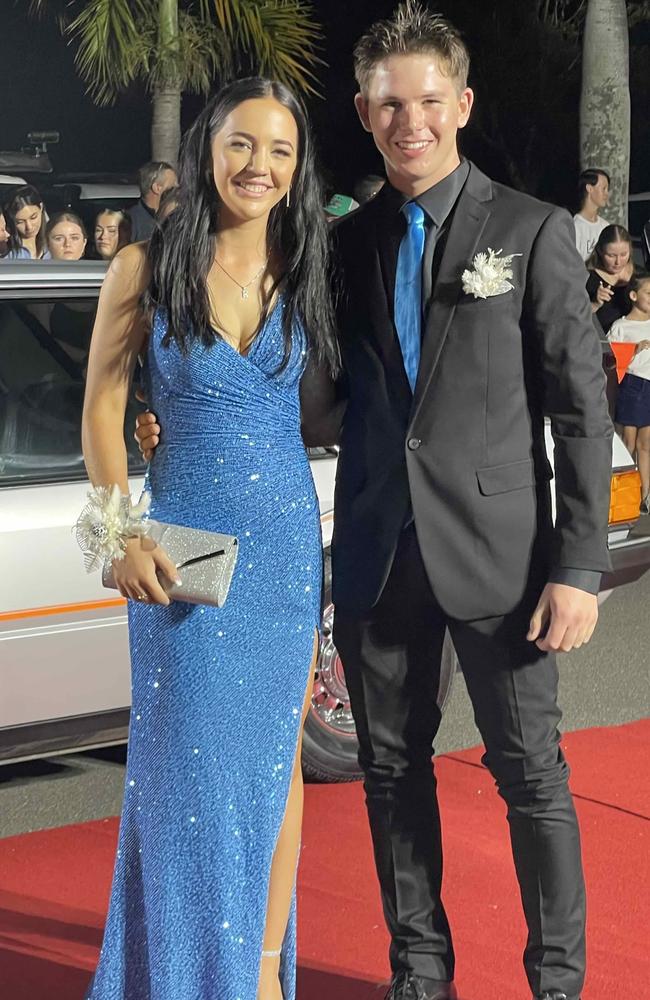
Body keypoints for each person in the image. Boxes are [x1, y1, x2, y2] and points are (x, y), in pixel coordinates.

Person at [137, 6, 613, 1000]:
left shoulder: (527, 233)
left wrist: (577, 569)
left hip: (503, 563)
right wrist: (170, 414)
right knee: (391, 775)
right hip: (374, 553)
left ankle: (556, 982)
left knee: (530, 775)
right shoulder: (342, 248)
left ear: (460, 104)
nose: (410, 122)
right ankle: (419, 975)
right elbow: (307, 394)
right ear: (361, 111)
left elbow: (578, 412)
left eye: (428, 102)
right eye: (389, 104)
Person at [80, 77, 339, 1000]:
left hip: (282, 550)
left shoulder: (306, 267)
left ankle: (261, 977)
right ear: (205, 149)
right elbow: (105, 414)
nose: (258, 166)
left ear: (298, 168)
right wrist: (115, 536)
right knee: (181, 768)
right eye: (241, 144)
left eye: (279, 150)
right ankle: (176, 976)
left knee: (280, 763)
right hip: (180, 552)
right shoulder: (144, 270)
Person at [608, 271, 650, 513]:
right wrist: (633, 350)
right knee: (629, 441)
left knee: (646, 443)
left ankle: (645, 494)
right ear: (634, 295)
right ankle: (627, 493)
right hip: (633, 385)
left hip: (649, 385)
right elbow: (609, 361)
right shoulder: (621, 326)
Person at [586, 224, 635, 334]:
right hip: (603, 344)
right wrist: (595, 303)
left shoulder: (640, 276)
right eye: (611, 255)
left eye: (623, 254)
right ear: (600, 251)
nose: (618, 262)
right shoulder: (586, 278)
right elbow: (574, 317)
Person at [128, 160, 178, 242]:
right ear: (157, 188)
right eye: (172, 187)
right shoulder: (131, 223)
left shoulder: (178, 218)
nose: (177, 191)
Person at [3, 184, 50, 259]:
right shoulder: (9, 255)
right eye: (20, 222)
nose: (29, 227)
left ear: (41, 207)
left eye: (33, 217)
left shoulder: (53, 244)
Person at [573, 168, 610, 261]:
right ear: (589, 188)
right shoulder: (575, 226)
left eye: (607, 189)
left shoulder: (605, 226)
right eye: (603, 189)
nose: (607, 194)